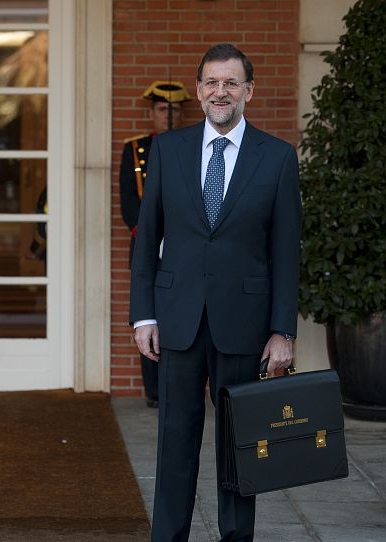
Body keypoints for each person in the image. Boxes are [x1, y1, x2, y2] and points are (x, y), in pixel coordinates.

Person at [129, 44, 301, 541]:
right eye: (211, 82)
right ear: (200, 90)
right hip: (178, 321)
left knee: (238, 450)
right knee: (175, 447)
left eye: (231, 83)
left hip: (245, 326)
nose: (220, 92)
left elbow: (285, 253)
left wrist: (282, 331)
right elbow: (148, 240)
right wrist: (144, 316)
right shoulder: (168, 150)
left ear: (249, 91)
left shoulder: (278, 158)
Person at [119, 80, 191, 408]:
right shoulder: (135, 149)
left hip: (186, 246)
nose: (169, 116)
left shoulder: (194, 147)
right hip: (147, 245)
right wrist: (153, 236)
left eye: (175, 110)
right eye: (163, 110)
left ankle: (179, 386)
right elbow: (129, 206)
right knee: (147, 316)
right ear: (152, 113)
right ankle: (154, 391)